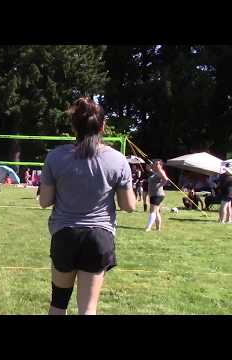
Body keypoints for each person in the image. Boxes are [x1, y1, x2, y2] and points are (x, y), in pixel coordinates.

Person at [39, 97, 135, 315]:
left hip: (65, 235)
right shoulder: (118, 160)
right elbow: (129, 205)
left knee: (58, 304)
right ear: (102, 126)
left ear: (74, 126)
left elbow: (44, 201)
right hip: (99, 238)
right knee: (88, 309)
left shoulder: (55, 157)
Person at [145, 159, 169, 232]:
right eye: (154, 164)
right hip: (154, 194)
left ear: (161, 165)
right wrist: (149, 169)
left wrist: (159, 186)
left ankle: (148, 228)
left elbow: (166, 179)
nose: (155, 165)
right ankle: (158, 228)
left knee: (152, 211)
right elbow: (153, 172)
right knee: (156, 211)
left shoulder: (161, 171)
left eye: (157, 164)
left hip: (157, 194)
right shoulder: (155, 172)